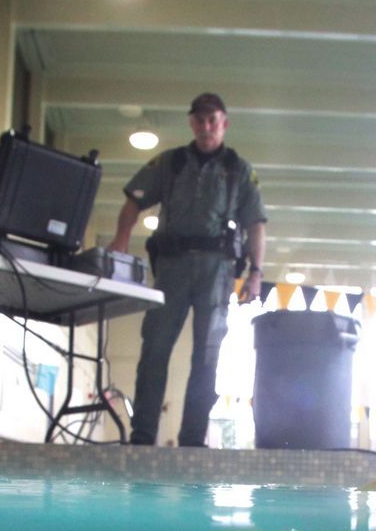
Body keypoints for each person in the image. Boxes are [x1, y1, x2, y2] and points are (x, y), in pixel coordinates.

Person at [109, 92, 267, 447]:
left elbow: (256, 223)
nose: (206, 127)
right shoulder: (170, 163)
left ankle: (193, 439)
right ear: (191, 123)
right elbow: (134, 199)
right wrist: (121, 238)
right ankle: (143, 436)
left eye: (213, 120)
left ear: (224, 123)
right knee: (154, 350)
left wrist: (256, 272)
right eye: (200, 119)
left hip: (218, 272)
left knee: (207, 357)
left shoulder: (239, 171)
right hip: (172, 268)